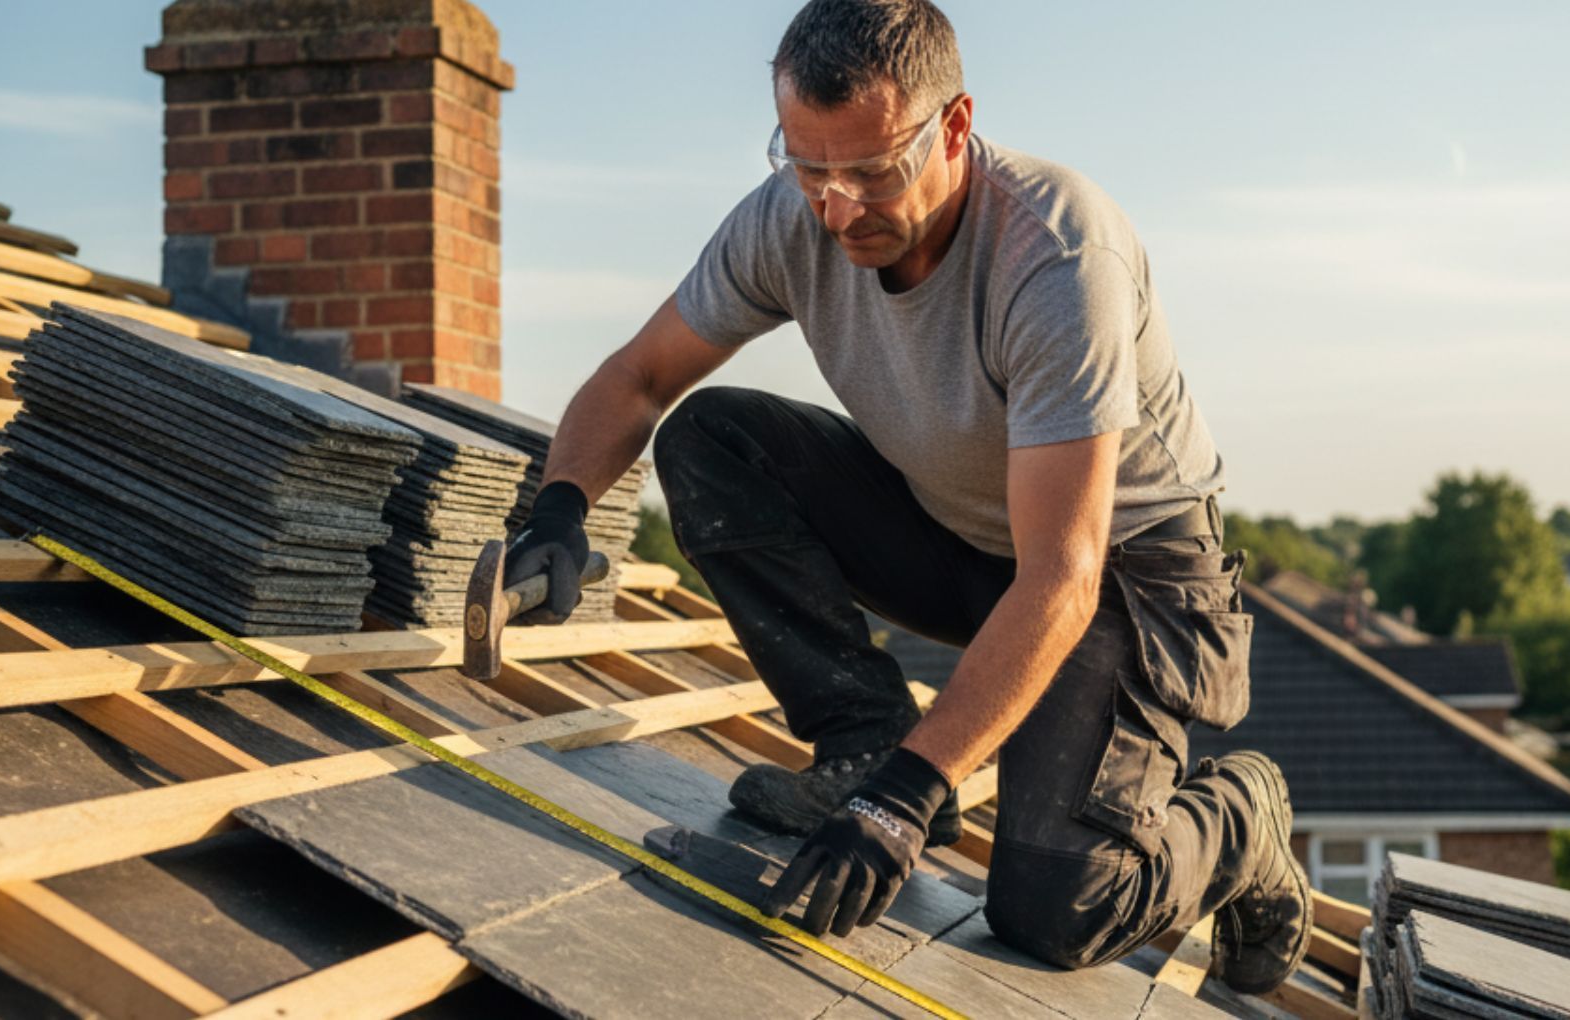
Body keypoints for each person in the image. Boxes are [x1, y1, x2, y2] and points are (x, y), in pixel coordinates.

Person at [503, 0, 1310, 991]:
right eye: (809, 169)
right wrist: (555, 509)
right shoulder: (790, 219)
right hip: (963, 533)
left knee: (1054, 909)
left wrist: (907, 802)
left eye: (874, 174)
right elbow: (638, 378)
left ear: (955, 128)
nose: (839, 208)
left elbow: (1063, 576)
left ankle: (1240, 818)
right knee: (714, 441)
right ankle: (861, 736)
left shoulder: (1056, 256)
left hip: (1130, 584)